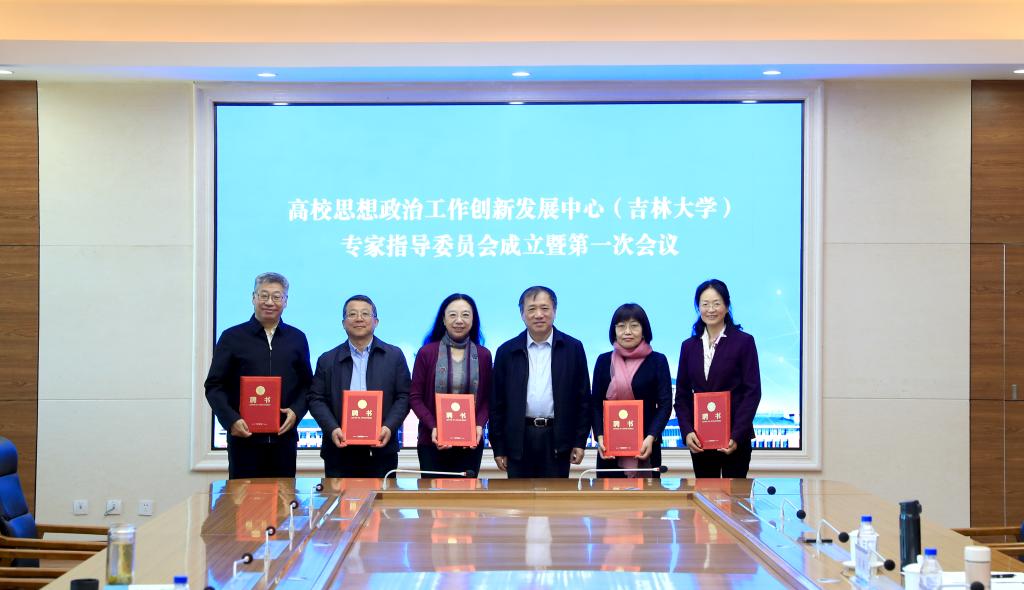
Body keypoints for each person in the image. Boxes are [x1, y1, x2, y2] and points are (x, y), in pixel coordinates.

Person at [204, 272, 313, 479]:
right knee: (244, 498)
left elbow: (307, 385)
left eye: (277, 296)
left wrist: (296, 412)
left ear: (285, 301)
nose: (269, 302)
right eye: (264, 295)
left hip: (284, 439)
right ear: (253, 298)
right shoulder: (231, 337)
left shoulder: (297, 338)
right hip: (244, 440)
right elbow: (214, 386)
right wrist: (231, 420)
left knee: (283, 496)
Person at [489, 286, 591, 478]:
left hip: (558, 439)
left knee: (555, 496)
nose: (538, 315)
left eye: (544, 308)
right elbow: (497, 404)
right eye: (531, 309)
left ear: (555, 311)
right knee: (519, 496)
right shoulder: (506, 351)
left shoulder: (573, 348)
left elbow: (583, 399)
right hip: (518, 440)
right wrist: (499, 447)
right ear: (522, 314)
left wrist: (579, 441)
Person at [307, 295, 411, 478]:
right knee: (339, 497)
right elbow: (316, 399)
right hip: (339, 452)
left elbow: (404, 396)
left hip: (381, 451)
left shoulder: (394, 356)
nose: (359, 319)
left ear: (376, 321)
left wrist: (389, 427)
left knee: (382, 497)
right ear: (343, 323)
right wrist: (332, 428)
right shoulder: (327, 359)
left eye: (365, 314)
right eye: (352, 314)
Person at [674, 279, 762, 478]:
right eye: (705, 304)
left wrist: (737, 435)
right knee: (705, 493)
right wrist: (687, 432)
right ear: (698, 307)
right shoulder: (688, 346)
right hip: (700, 439)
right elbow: (681, 395)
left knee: (735, 495)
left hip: (735, 439)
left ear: (727, 306)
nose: (711, 309)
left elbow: (752, 392)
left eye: (716, 303)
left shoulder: (744, 342)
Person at [408, 294, 491, 477]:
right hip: (432, 441)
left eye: (465, 315)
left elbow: (488, 399)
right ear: (443, 320)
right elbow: (415, 397)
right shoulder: (426, 353)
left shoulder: (484, 355)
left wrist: (479, 425)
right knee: (433, 494)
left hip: (470, 444)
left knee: (466, 495)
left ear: (473, 320)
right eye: (453, 315)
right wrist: (434, 426)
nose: (459, 320)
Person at [591, 303, 672, 478]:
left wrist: (651, 437)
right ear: (614, 331)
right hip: (609, 449)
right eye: (621, 326)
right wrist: (600, 437)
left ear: (644, 330)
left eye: (634, 326)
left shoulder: (657, 361)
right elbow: (595, 405)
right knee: (608, 494)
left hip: (645, 447)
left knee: (646, 495)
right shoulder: (603, 361)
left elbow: (665, 405)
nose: (627, 332)